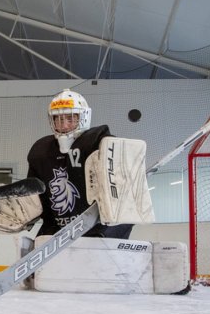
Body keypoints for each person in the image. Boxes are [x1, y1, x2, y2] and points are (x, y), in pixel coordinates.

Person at [27, 89, 133, 239]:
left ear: (83, 117)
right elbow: (35, 196)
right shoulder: (41, 151)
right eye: (58, 119)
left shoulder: (100, 142)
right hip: (58, 230)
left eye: (70, 119)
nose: (63, 126)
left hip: (98, 227)